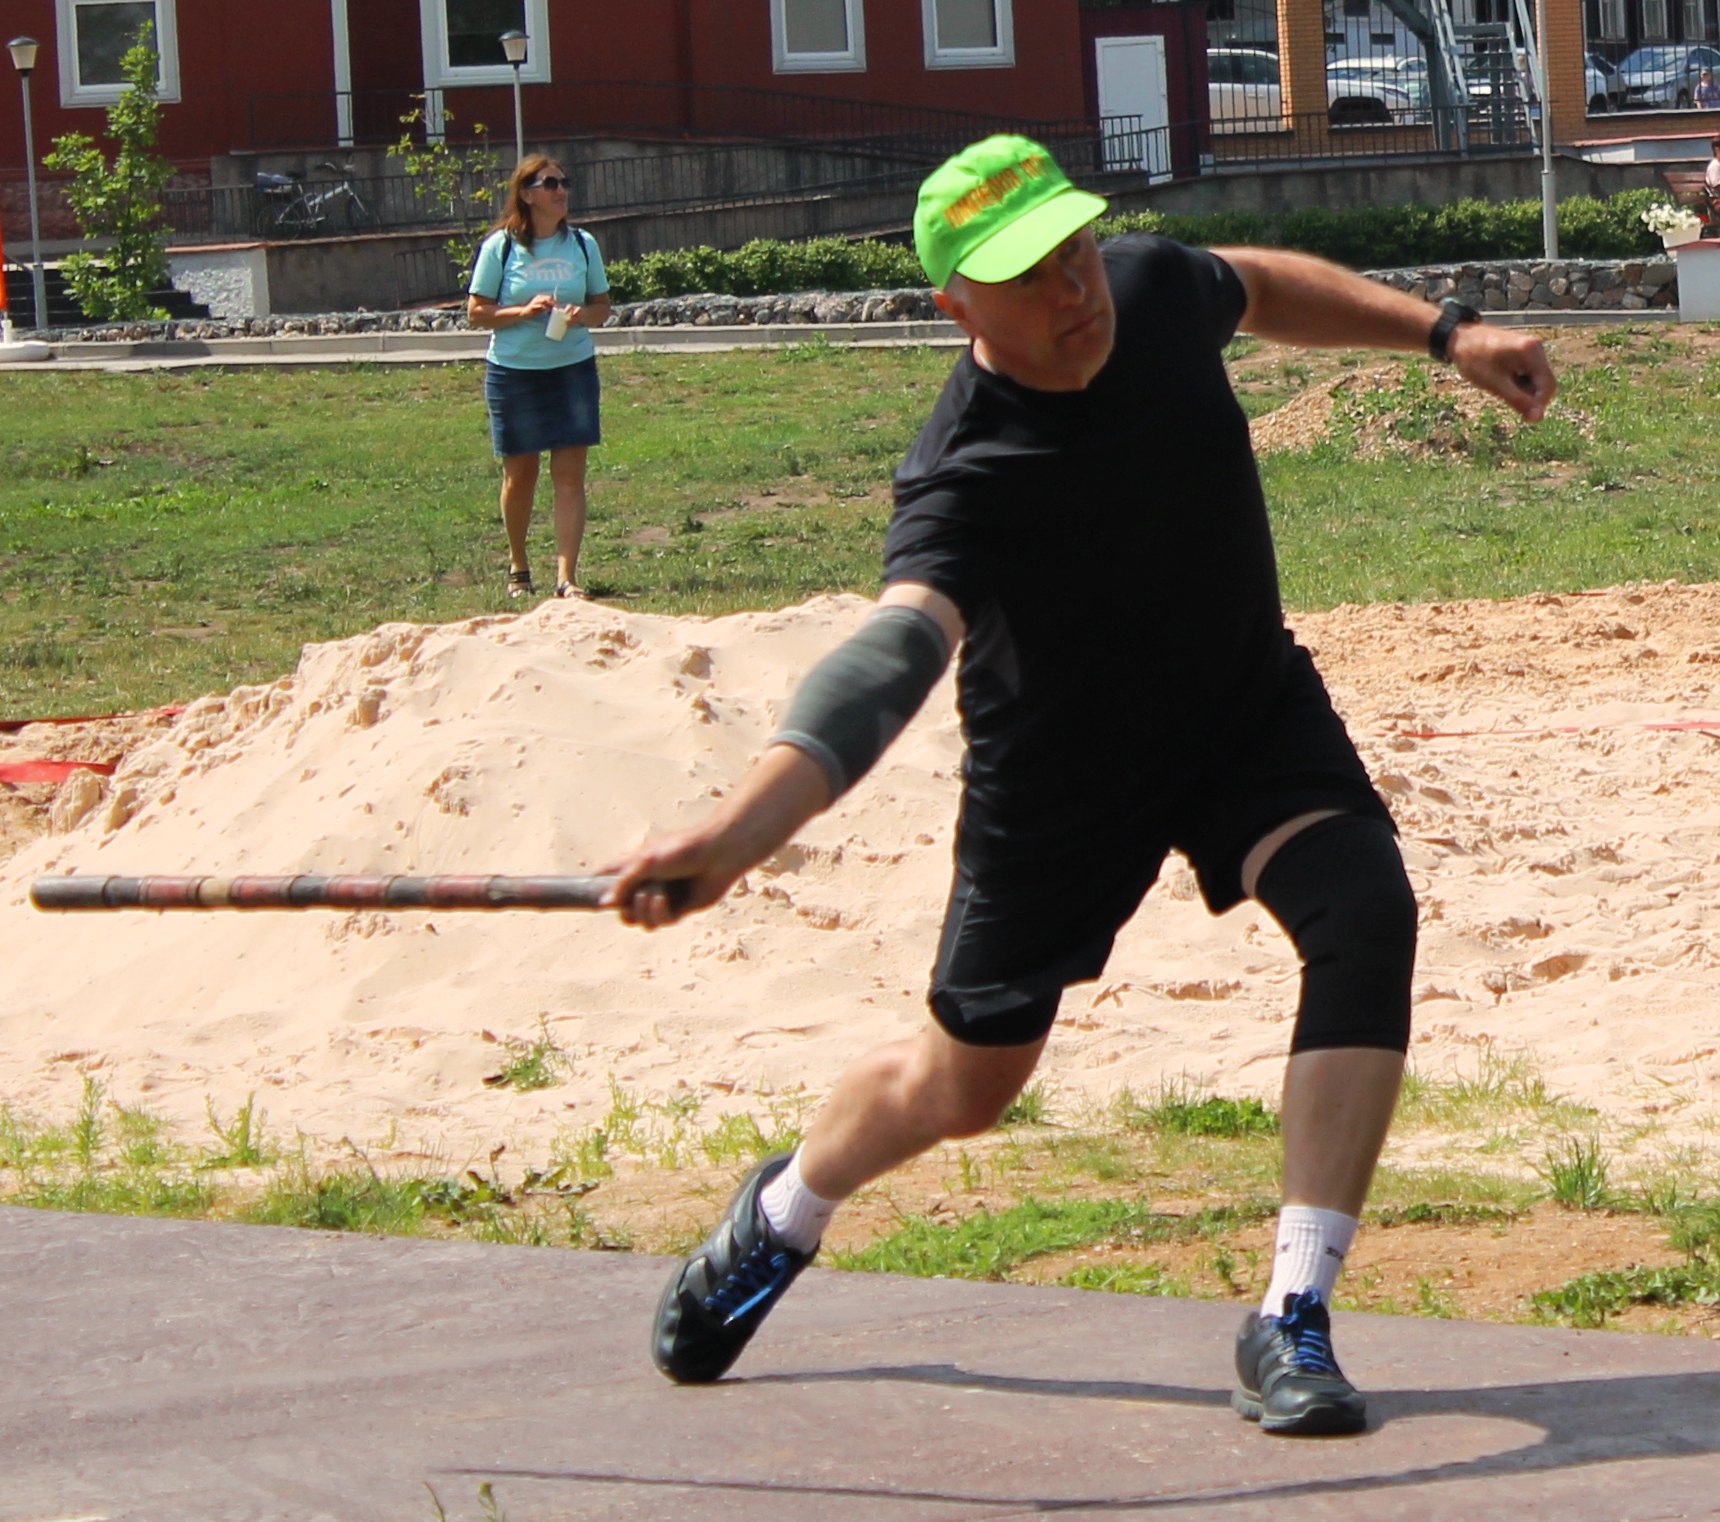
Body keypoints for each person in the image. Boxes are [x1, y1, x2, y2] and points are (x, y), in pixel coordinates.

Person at [605, 135, 1555, 1435]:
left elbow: (1259, 285)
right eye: (1028, 273)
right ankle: (786, 1211)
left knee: (1365, 909)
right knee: (963, 1090)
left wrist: (1445, 334)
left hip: (1239, 708)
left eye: (1069, 245)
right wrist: (737, 830)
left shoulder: (1152, 286)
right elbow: (890, 656)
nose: (1072, 285)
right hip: (1059, 779)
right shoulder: (963, 473)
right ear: (956, 307)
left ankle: (1292, 1312)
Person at [467, 155, 612, 601]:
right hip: (515, 373)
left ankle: (566, 577)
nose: (561, 190)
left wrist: (578, 315)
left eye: (564, 182)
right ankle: (518, 566)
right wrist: (522, 312)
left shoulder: (583, 244)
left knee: (570, 475)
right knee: (520, 474)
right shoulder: (502, 247)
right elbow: (476, 312)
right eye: (550, 183)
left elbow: (602, 308)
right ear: (527, 194)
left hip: (571, 369)